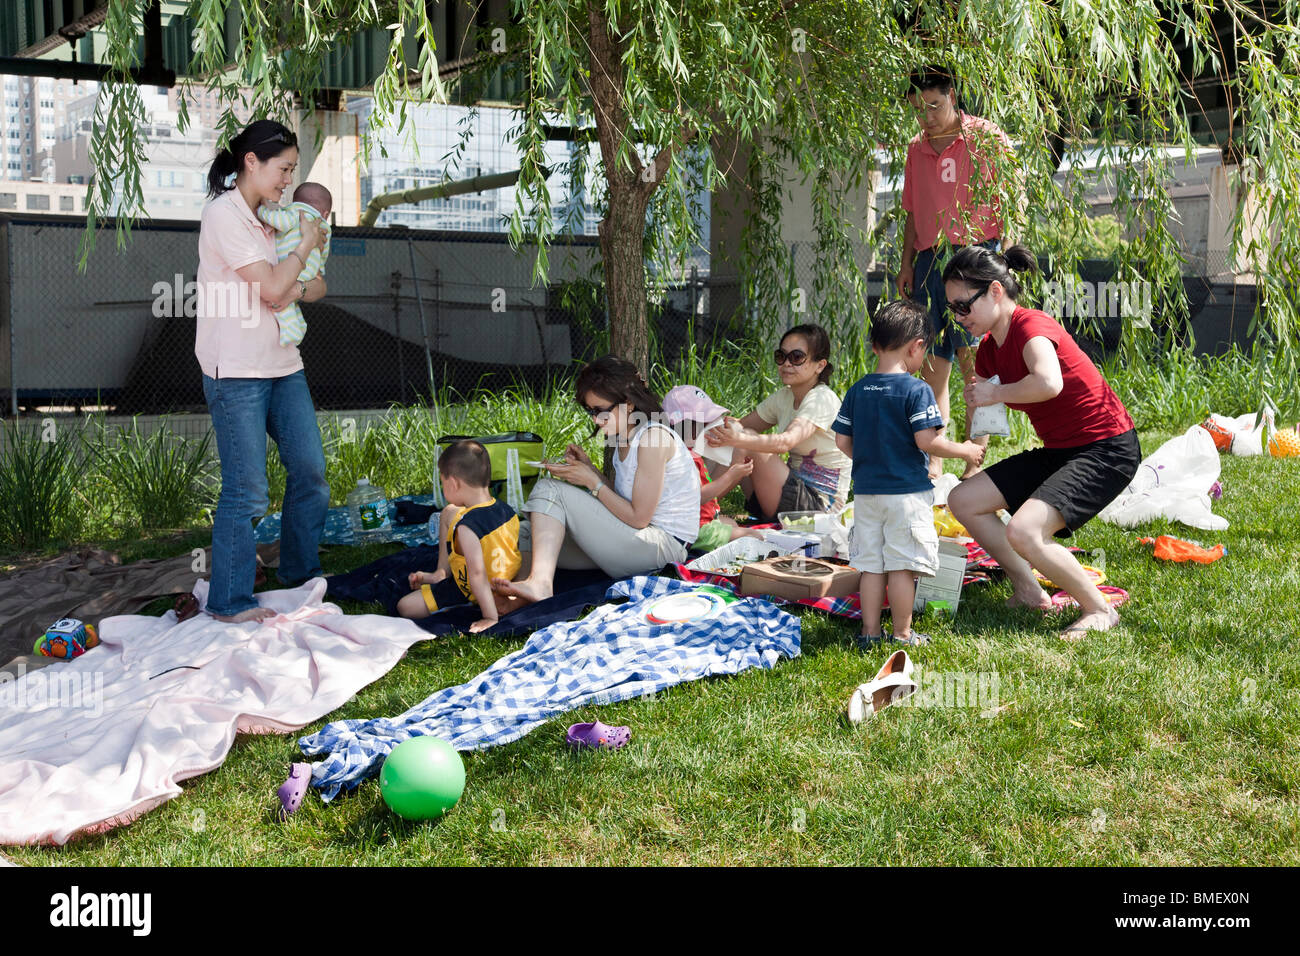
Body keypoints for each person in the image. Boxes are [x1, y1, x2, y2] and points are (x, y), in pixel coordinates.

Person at [943, 245, 1140, 637]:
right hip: (1061, 451)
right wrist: (972, 460)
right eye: (952, 309)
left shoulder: (1031, 326)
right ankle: (1029, 590)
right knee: (963, 500)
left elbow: (1049, 383)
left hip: (1107, 448)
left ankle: (1099, 609)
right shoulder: (988, 352)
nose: (959, 317)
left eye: (964, 305)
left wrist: (994, 394)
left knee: (1025, 530)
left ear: (995, 292)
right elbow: (987, 412)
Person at [197, 119, 330, 623]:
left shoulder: (282, 216)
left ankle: (298, 574)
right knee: (247, 488)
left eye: (292, 170)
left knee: (312, 474)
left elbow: (314, 287)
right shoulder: (224, 216)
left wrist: (294, 272)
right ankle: (230, 602)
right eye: (283, 168)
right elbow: (275, 289)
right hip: (236, 370)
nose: (286, 179)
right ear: (251, 161)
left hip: (283, 364)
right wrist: (298, 258)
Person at [833, 301, 985, 647]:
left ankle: (869, 634)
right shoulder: (917, 390)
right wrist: (965, 449)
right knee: (902, 565)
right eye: (924, 351)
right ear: (916, 346)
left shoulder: (858, 389)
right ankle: (902, 634)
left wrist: (872, 457)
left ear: (874, 346)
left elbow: (843, 440)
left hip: (868, 493)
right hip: (906, 494)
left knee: (871, 565)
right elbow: (927, 440)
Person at [492, 356, 701, 605]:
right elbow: (625, 500)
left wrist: (592, 481)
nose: (594, 419)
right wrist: (590, 469)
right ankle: (518, 599)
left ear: (628, 403)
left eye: (600, 410)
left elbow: (638, 517)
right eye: (590, 411)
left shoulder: (652, 438)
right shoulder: (623, 437)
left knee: (550, 489)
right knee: (527, 532)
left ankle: (540, 584)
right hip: (636, 538)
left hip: (662, 548)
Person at [896, 65, 1020, 480]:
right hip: (931, 258)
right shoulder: (917, 149)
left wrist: (1001, 256)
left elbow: (1012, 197)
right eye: (919, 109)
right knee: (934, 362)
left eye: (934, 105)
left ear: (952, 94)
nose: (927, 116)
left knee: (977, 361)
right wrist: (906, 263)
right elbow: (912, 212)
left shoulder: (985, 137)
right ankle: (935, 458)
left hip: (974, 254)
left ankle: (975, 458)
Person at [704, 323, 853, 523]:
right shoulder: (785, 396)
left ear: (820, 365)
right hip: (786, 496)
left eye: (797, 357)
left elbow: (785, 442)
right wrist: (703, 427)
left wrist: (739, 437)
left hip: (816, 509)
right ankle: (690, 499)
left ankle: (698, 509)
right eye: (781, 356)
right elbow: (738, 425)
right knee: (729, 433)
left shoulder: (821, 399)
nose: (786, 364)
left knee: (743, 438)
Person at [398, 441, 522, 632]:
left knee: (405, 607)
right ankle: (440, 573)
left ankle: (470, 603)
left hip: (470, 589)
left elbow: (477, 575)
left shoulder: (466, 528)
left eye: (443, 483)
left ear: (454, 483)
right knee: (448, 512)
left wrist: (489, 617)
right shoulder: (507, 510)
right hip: (506, 578)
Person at [661, 384, 764, 551]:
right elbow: (697, 498)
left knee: (731, 523)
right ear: (687, 426)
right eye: (705, 422)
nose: (709, 426)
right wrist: (731, 475)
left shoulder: (681, 449)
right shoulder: (685, 459)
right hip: (696, 530)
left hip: (698, 522)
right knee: (754, 536)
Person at [256, 181, 333, 347]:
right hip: (309, 270)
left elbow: (281, 222)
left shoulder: (296, 213)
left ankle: (290, 330)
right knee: (290, 300)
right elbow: (323, 252)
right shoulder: (324, 227)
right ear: (325, 213)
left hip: (291, 265)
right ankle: (299, 325)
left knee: (281, 301)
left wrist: (261, 210)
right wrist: (318, 267)